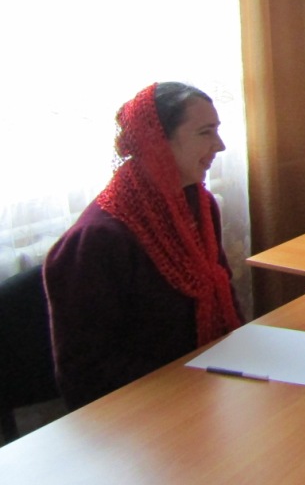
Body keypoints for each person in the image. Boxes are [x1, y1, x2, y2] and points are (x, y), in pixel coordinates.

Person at [44, 82, 242, 409]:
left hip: (207, 385)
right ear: (157, 142)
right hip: (145, 410)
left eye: (217, 130)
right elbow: (86, 374)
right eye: (205, 133)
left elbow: (224, 291)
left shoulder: (199, 204)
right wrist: (191, 386)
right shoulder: (97, 239)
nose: (219, 145)